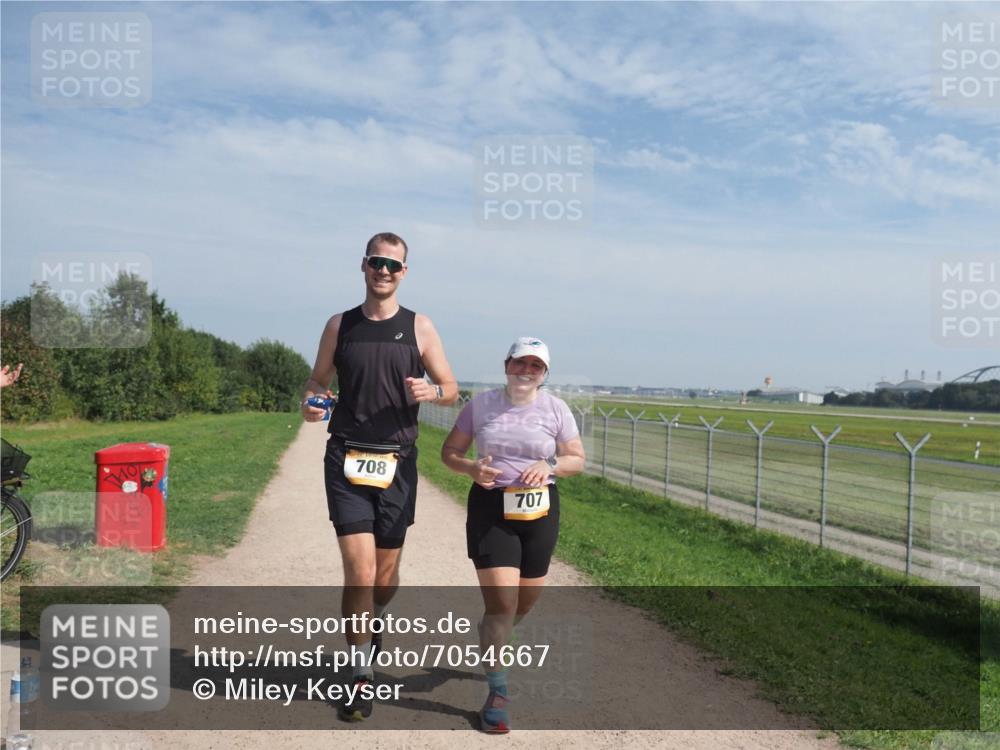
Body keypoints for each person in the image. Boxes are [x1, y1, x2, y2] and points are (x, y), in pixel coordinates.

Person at [302, 232, 458, 721]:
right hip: (346, 457)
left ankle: (373, 619)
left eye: (393, 265)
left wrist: (433, 392)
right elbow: (317, 381)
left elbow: (451, 387)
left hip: (398, 463)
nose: (383, 271)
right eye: (377, 262)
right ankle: (359, 674)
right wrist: (311, 402)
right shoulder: (340, 325)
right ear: (364, 266)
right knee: (361, 573)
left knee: (384, 579)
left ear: (404, 273)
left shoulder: (420, 327)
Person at [440, 338, 585, 733]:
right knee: (502, 603)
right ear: (506, 365)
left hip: (540, 510)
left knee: (522, 603)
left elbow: (577, 459)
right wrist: (470, 468)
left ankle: (495, 631)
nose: (526, 371)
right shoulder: (480, 405)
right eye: (520, 363)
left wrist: (550, 464)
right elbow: (449, 452)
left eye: (536, 366)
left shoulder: (556, 409)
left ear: (544, 374)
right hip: (492, 509)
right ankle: (498, 694)